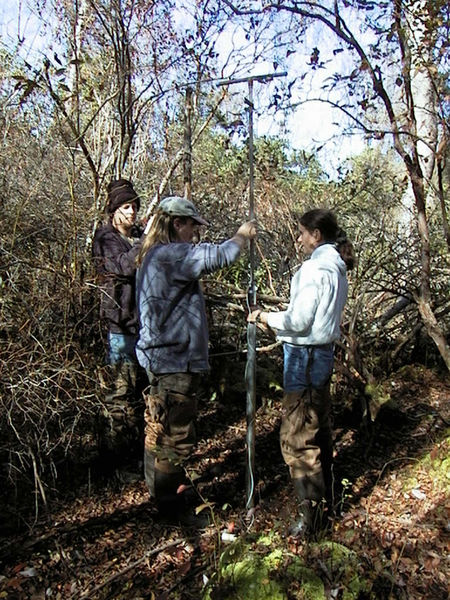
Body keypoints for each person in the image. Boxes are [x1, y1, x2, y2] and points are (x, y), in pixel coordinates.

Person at [135, 196, 257, 517]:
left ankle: (159, 499)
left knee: (158, 430)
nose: (194, 233)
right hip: (174, 362)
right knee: (174, 438)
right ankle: (172, 512)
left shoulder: (152, 257)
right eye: (191, 226)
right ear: (177, 224)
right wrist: (242, 236)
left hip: (160, 359)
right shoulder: (170, 255)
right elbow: (221, 255)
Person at [248, 208, 355, 537]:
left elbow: (298, 322)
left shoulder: (314, 269)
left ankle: (312, 521)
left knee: (297, 438)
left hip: (305, 358)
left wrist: (264, 317)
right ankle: (328, 504)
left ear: (316, 235)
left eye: (301, 233)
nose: (298, 239)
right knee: (318, 431)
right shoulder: (337, 269)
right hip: (320, 356)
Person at [92, 178, 146, 462]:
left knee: (139, 394)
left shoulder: (134, 238)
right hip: (119, 326)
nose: (132, 211)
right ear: (113, 210)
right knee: (120, 396)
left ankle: (138, 456)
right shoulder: (105, 239)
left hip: (141, 327)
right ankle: (120, 463)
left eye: (134, 206)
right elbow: (123, 268)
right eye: (126, 206)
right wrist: (145, 243)